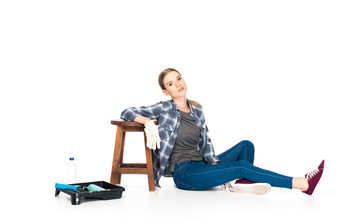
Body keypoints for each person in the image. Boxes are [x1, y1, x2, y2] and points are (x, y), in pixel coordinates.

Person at [120, 68, 326, 195]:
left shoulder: (197, 111)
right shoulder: (164, 108)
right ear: (166, 91)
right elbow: (127, 111)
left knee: (246, 145)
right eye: (171, 83)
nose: (178, 84)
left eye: (179, 78)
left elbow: (206, 145)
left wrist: (217, 167)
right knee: (242, 165)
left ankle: (241, 183)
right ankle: (301, 183)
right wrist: (147, 123)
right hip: (185, 174)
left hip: (201, 165)